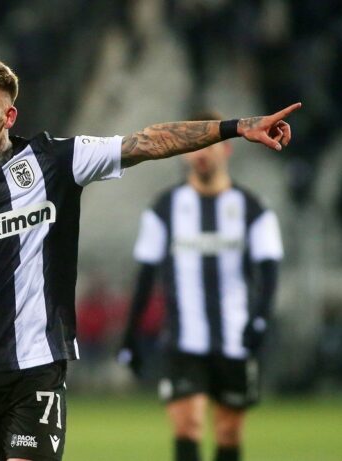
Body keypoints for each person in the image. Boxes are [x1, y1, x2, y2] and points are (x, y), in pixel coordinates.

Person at [0, 55, 299, 461]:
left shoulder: (55, 160)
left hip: (35, 369)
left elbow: (146, 141)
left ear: (8, 116)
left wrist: (237, 127)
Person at [118, 110, 284, 461]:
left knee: (228, 431)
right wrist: (131, 335)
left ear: (227, 150)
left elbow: (270, 272)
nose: (202, 154)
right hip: (182, 341)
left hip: (235, 338)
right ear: (185, 153)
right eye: (196, 147)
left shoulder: (253, 209)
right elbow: (145, 276)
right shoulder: (164, 209)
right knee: (188, 425)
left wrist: (260, 319)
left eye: (211, 145)